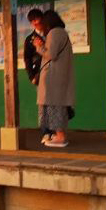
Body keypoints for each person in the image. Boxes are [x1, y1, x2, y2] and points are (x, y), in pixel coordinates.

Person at [32, 9, 75, 148]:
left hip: (53, 78)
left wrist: (39, 46)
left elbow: (51, 54)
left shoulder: (54, 33)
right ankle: (58, 135)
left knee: (55, 107)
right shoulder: (61, 33)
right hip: (58, 77)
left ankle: (60, 137)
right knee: (55, 106)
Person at [24, 9, 50, 142]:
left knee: (57, 103)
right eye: (32, 21)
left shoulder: (52, 34)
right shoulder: (30, 39)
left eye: (37, 19)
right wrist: (31, 76)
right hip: (40, 75)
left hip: (55, 72)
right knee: (43, 103)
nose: (35, 22)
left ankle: (57, 131)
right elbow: (27, 59)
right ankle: (45, 132)